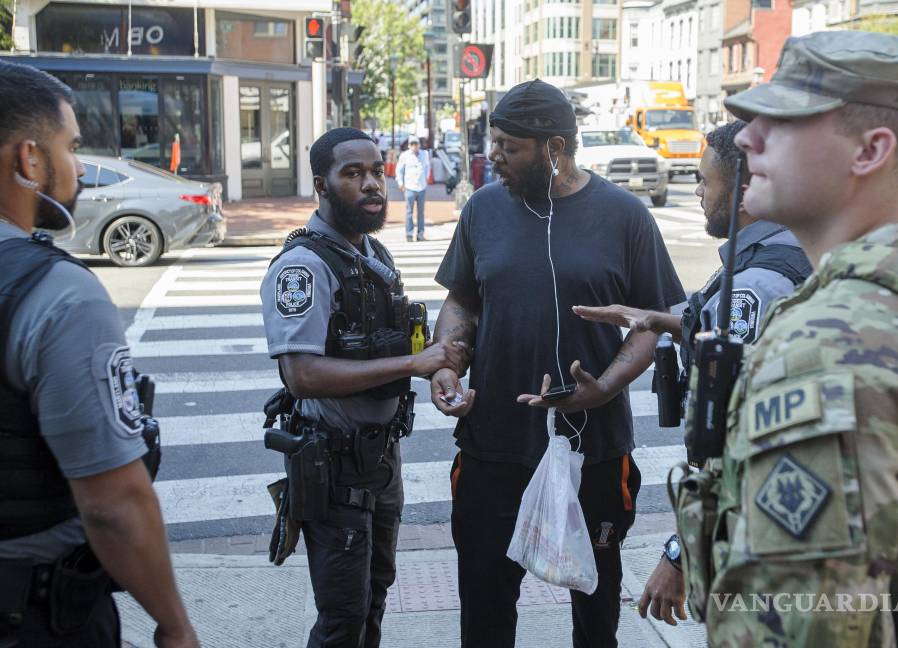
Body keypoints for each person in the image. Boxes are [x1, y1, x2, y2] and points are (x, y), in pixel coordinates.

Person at [674, 31, 898, 645]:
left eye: (781, 122)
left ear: (870, 150)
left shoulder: (830, 345)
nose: (748, 140)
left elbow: (804, 628)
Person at [430, 79, 687, 648]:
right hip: (492, 447)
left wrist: (607, 386)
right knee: (485, 607)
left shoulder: (625, 216)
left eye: (507, 145)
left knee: (595, 614)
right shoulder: (483, 209)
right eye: (491, 141)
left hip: (595, 452)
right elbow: (461, 301)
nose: (491, 155)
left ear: (554, 149)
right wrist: (448, 362)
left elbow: (652, 319)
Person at [573, 119, 814, 626]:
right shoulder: (794, 251)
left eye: (706, 181)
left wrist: (680, 553)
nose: (699, 191)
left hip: (757, 537)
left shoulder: (755, 283)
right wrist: (664, 320)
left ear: (744, 191)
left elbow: (732, 443)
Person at [0, 61, 197, 647]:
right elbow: (113, 503)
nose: (79, 167)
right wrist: (175, 625)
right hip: (33, 615)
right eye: (72, 147)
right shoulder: (56, 294)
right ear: (29, 159)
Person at [259, 127, 467, 648]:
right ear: (321, 186)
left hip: (380, 463)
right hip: (332, 470)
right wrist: (414, 363)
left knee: (374, 597)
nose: (372, 184)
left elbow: (403, 340)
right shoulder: (303, 266)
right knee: (342, 620)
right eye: (353, 174)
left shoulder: (373, 254)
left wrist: (436, 368)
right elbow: (301, 374)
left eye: (377, 170)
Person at [395, 135, 430, 242]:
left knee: (421, 212)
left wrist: (427, 178)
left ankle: (420, 234)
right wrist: (400, 183)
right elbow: (399, 170)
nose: (414, 146)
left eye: (416, 144)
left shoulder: (425, 154)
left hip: (421, 187)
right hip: (409, 187)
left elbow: (427, 167)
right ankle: (409, 234)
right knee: (409, 212)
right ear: (409, 145)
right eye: (412, 144)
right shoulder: (404, 155)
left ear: (419, 145)